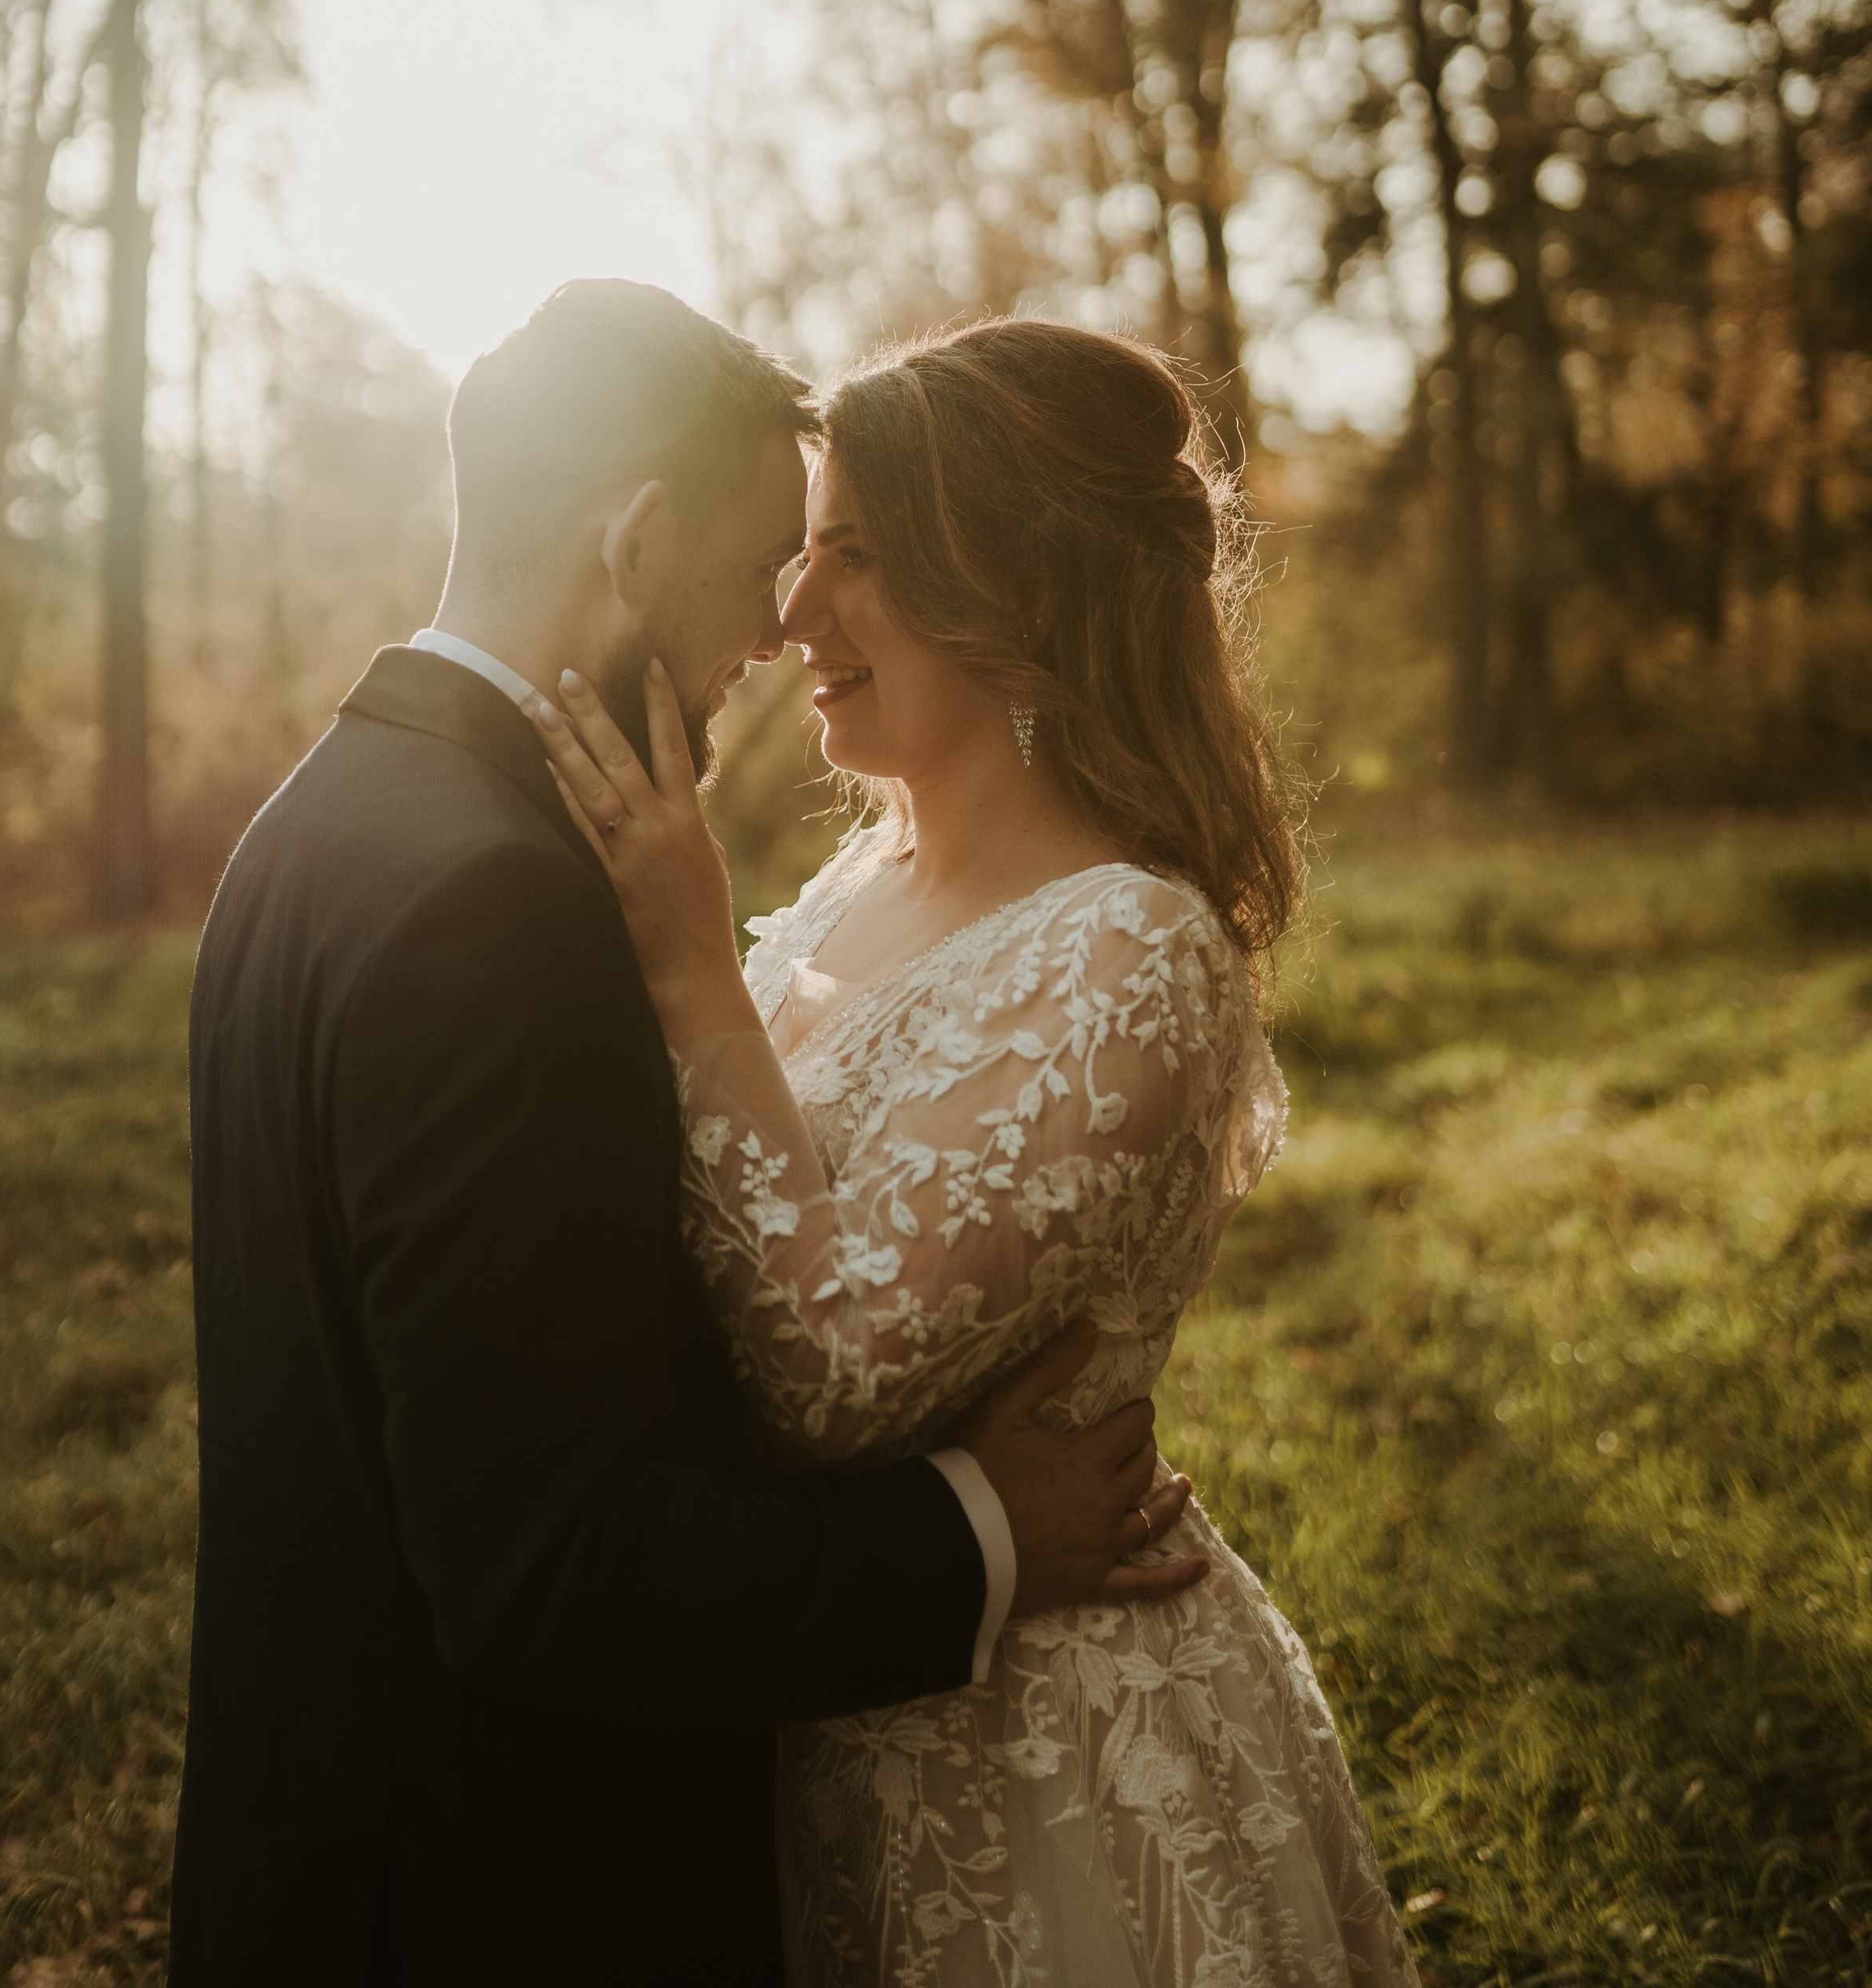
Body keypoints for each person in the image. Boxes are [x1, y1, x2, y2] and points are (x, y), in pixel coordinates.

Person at [168, 280, 1209, 1988]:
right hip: (479, 1897)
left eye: (837, 560)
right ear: (636, 542)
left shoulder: (319, 820)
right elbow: (553, 1570)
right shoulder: (499, 900)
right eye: (764, 563)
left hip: (332, 1833)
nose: (775, 625)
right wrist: (980, 1531)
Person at [531, 314, 1421, 1987]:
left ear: (1019, 590)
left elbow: (831, 1374)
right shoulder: (851, 891)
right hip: (819, 1693)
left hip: (1037, 1761)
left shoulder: (1130, 951)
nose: (793, 606)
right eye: (801, 551)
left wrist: (691, 969)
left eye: (856, 556)